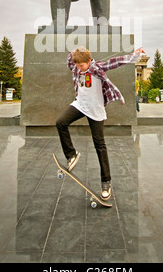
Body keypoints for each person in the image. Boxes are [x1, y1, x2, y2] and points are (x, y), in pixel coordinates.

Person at [56, 46, 145, 200]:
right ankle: (71, 154)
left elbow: (116, 62)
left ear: (89, 61)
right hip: (80, 105)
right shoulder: (76, 68)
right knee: (60, 123)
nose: (80, 68)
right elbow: (70, 60)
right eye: (78, 65)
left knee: (99, 145)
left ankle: (106, 182)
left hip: (95, 110)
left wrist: (134, 56)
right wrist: (75, 51)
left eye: (82, 65)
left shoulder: (97, 68)